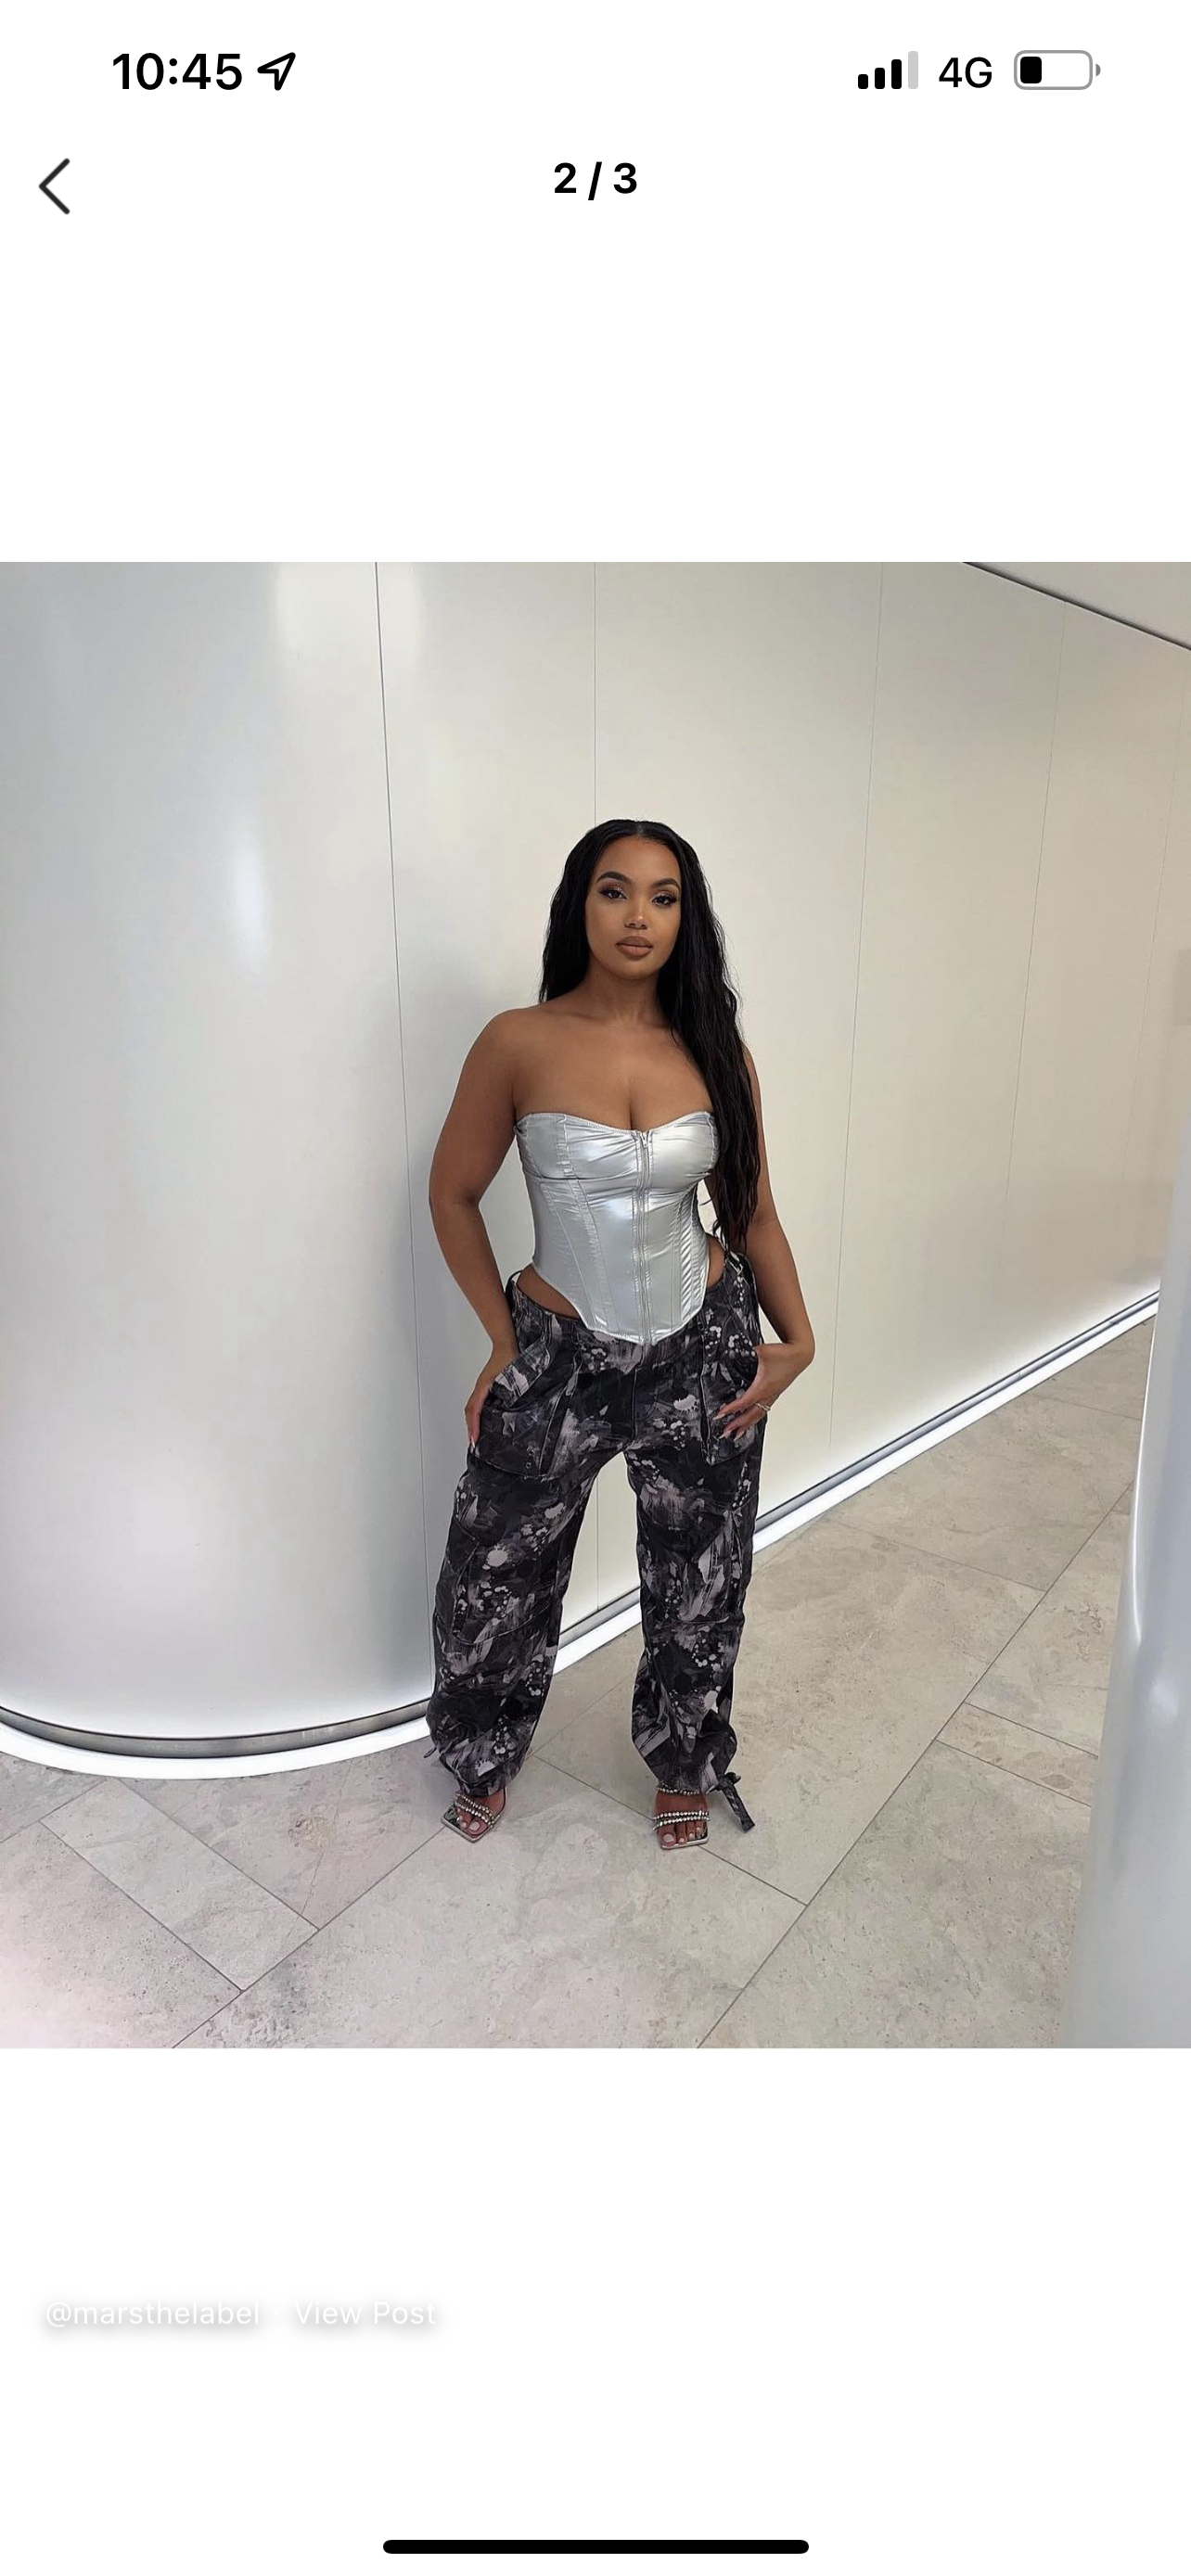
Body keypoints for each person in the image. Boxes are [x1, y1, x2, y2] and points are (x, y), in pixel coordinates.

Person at [423, 818, 815, 1851]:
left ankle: (685, 1760)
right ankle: (480, 1751)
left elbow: (753, 1213)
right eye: (614, 890)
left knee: (701, 1580)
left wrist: (799, 1340)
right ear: (580, 905)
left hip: (704, 1352)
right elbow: (452, 1194)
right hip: (558, 1357)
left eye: (663, 896)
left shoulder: (716, 1052)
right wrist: (502, 1340)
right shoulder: (518, 1041)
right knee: (494, 1574)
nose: (638, 916)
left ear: (686, 918)